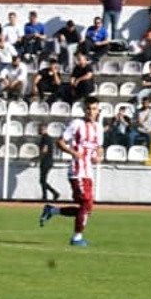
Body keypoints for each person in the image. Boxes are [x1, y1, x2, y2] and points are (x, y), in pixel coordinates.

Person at [40, 95, 103, 246]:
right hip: (77, 171)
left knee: (86, 209)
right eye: (88, 108)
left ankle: (52, 210)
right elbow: (60, 141)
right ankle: (77, 238)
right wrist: (73, 153)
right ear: (84, 109)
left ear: (98, 110)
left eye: (94, 109)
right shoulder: (77, 124)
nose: (90, 111)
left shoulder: (99, 127)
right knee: (86, 204)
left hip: (88, 172)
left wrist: (99, 156)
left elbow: (99, 147)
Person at [38, 127, 60, 202]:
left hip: (46, 161)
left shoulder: (46, 138)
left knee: (42, 180)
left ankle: (53, 193)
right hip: (47, 161)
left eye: (40, 129)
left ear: (45, 129)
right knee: (42, 180)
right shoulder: (46, 138)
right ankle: (45, 196)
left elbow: (45, 150)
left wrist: (38, 157)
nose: (39, 131)